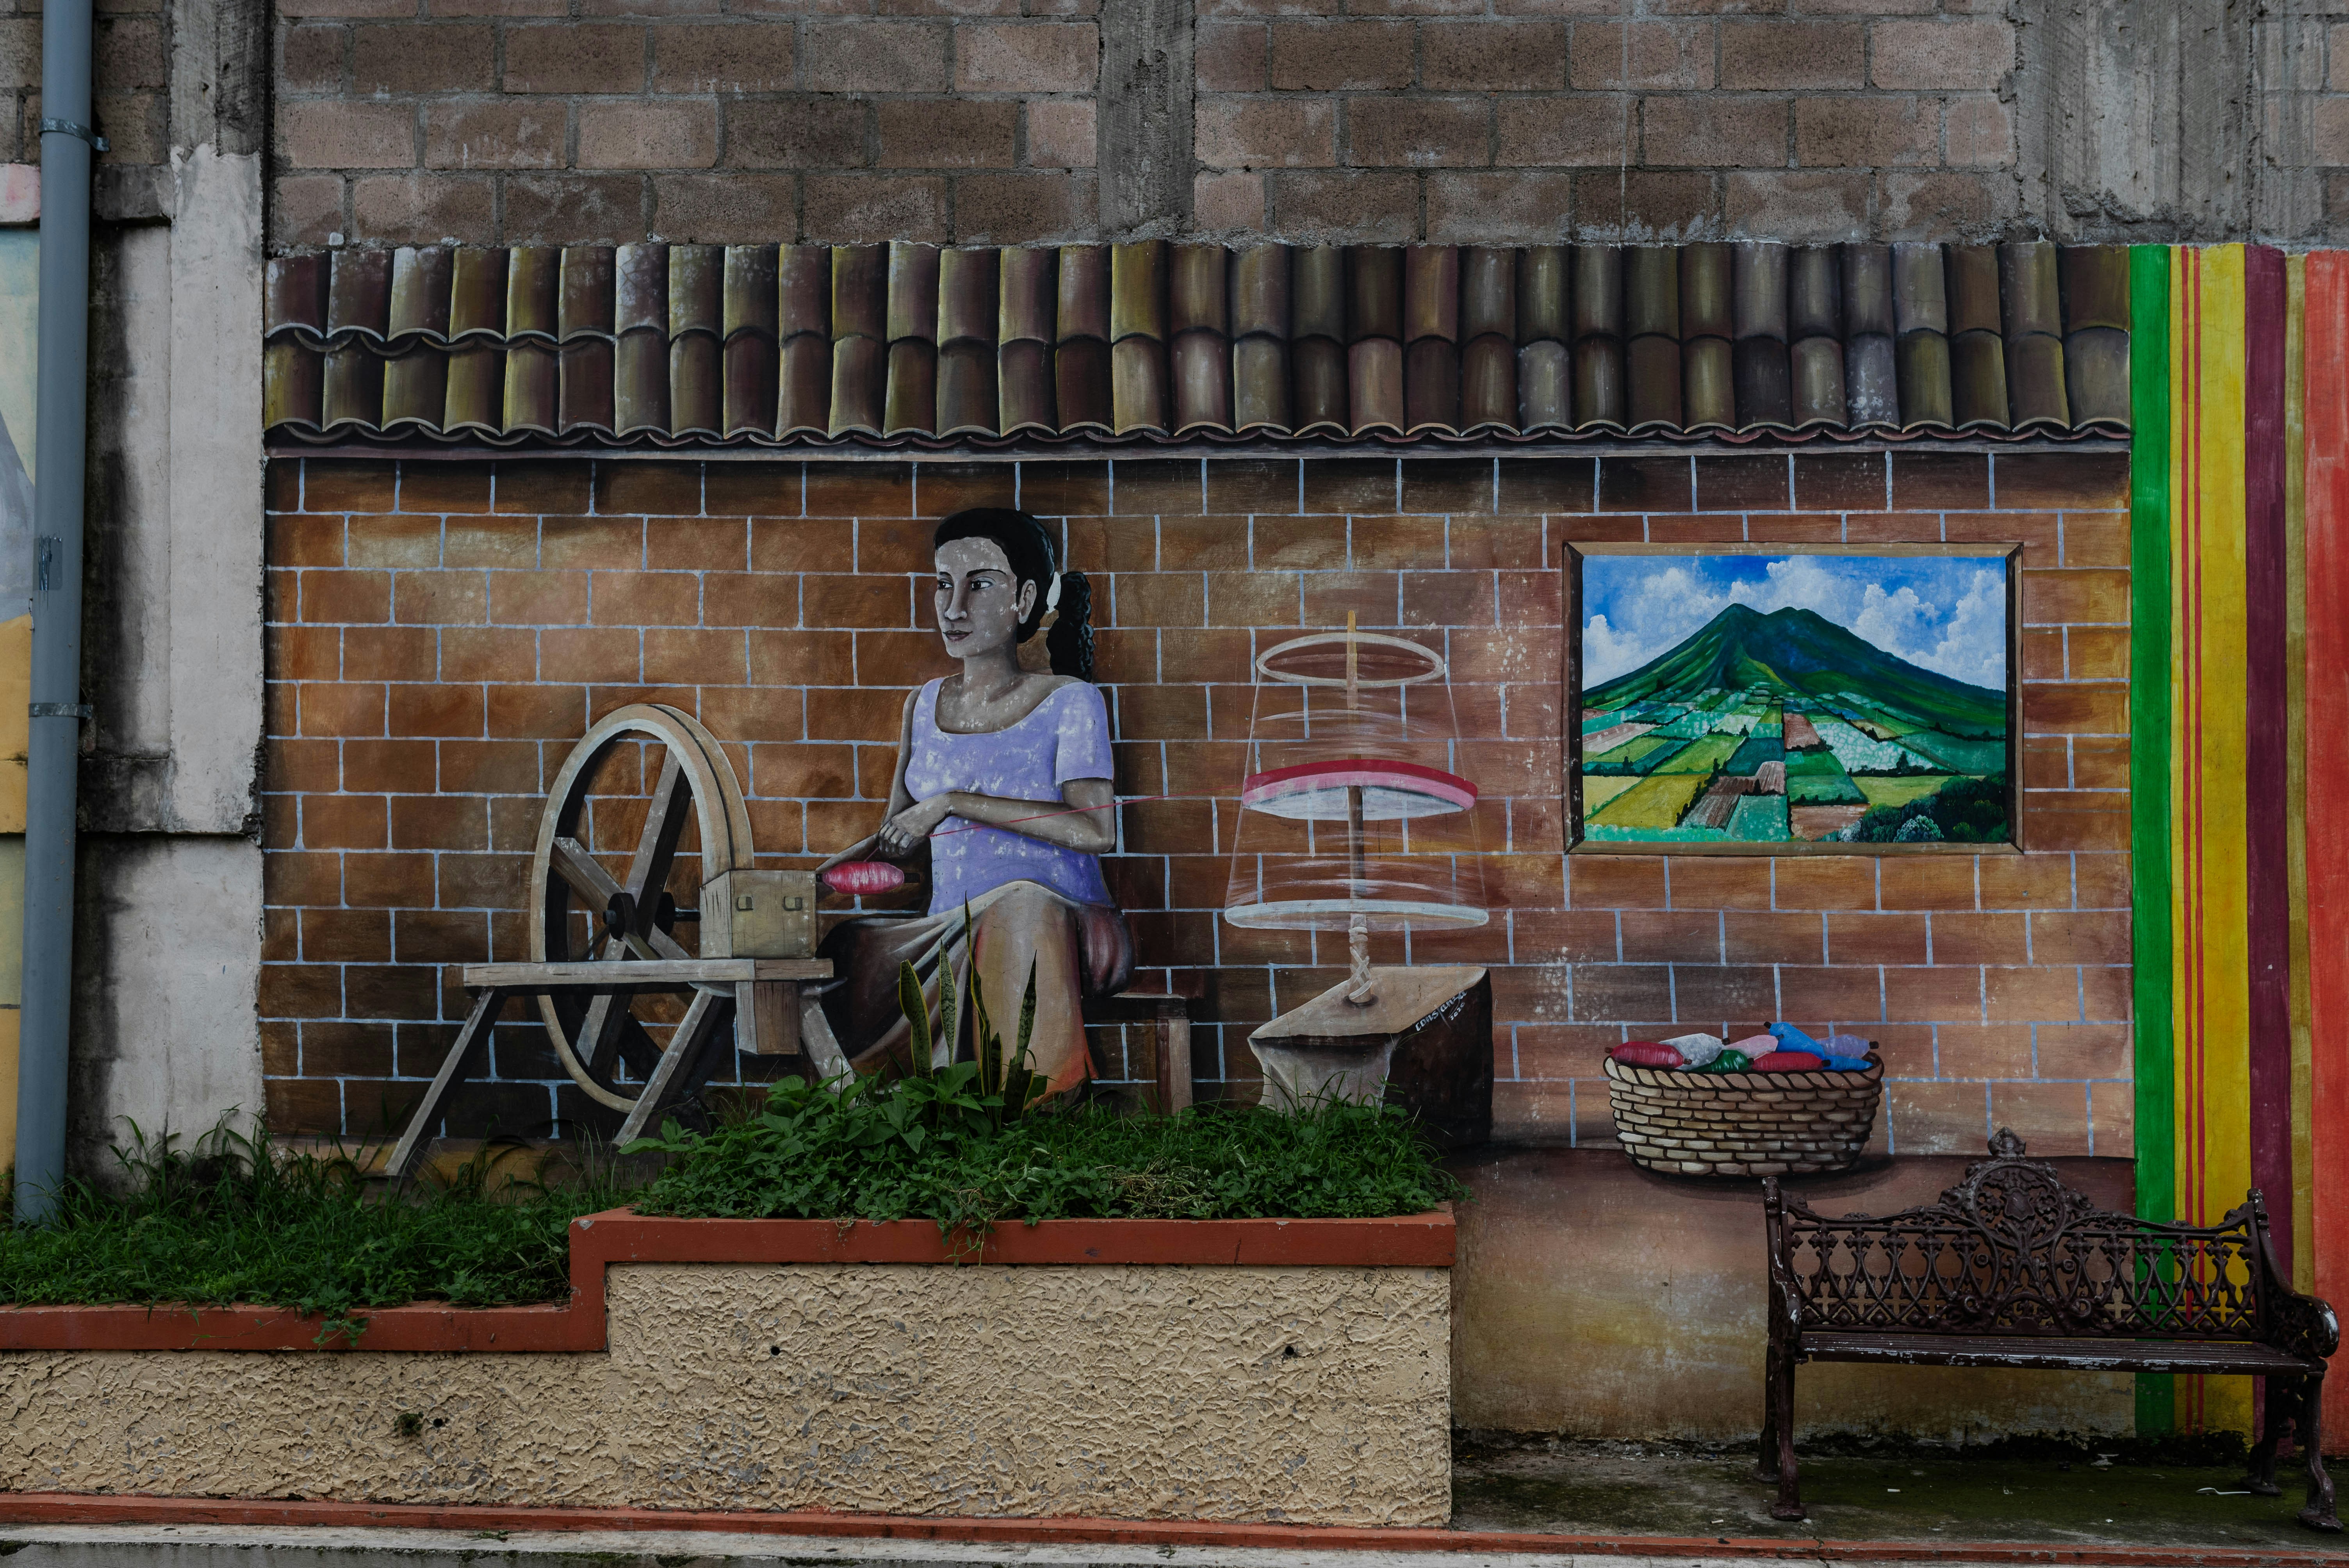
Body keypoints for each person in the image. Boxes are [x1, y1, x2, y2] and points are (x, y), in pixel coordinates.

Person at [805, 508, 1133, 1096]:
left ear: (1024, 597)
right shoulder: (924, 704)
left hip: (1060, 925)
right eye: (942, 585)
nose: (954, 607)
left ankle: (1032, 1112)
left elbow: (1096, 832)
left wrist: (956, 802)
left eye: (979, 584)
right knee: (848, 950)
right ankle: (915, 1108)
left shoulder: (1070, 701)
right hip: (948, 927)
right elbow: (899, 842)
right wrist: (824, 880)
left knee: (1022, 908)